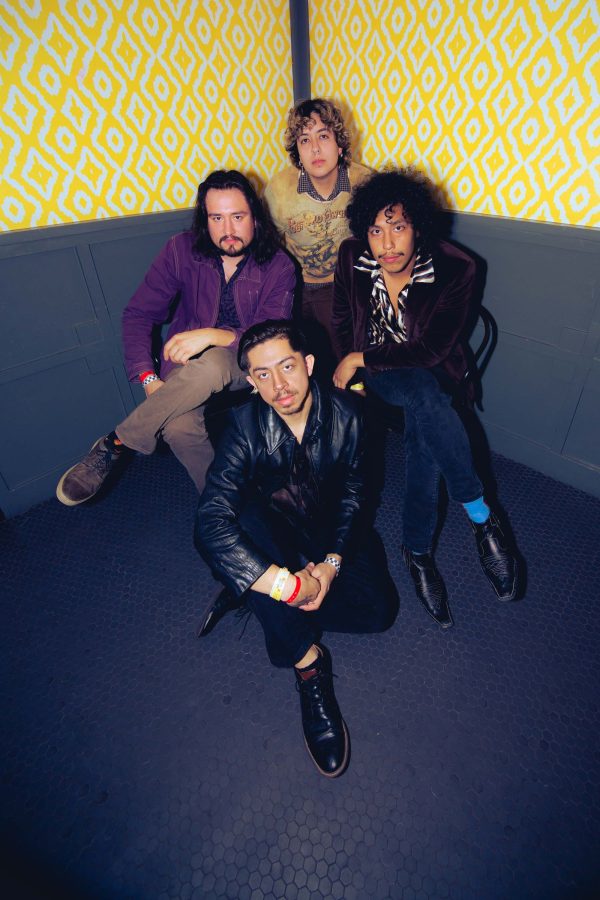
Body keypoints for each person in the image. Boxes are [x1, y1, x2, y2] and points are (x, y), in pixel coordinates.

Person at [194, 320, 398, 777]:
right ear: (251, 381)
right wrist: (285, 586)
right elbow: (209, 521)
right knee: (237, 521)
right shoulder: (242, 427)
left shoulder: (352, 414)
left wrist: (330, 565)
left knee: (380, 613)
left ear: (308, 364)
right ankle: (308, 664)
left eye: (286, 367)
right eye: (263, 374)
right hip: (275, 532)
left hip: (329, 531)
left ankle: (253, 592)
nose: (279, 386)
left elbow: (356, 496)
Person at [332, 169, 519, 628]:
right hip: (380, 377)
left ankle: (416, 553)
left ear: (418, 227)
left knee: (423, 433)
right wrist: (355, 368)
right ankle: (481, 518)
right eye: (376, 230)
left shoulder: (457, 268)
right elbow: (341, 321)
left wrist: (356, 357)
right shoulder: (352, 256)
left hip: (433, 372)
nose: (387, 244)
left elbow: (431, 350)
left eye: (398, 227)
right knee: (422, 397)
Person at [56, 170, 295, 505]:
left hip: (250, 362)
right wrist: (148, 377)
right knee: (178, 427)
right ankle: (227, 506)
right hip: (185, 365)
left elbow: (271, 336)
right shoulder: (181, 250)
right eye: (217, 218)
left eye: (238, 216)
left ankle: (117, 443)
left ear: (255, 217)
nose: (228, 229)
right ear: (205, 220)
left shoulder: (279, 265)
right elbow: (138, 314)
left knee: (214, 362)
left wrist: (213, 335)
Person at [264, 98, 370, 376]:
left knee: (339, 355)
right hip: (295, 286)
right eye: (304, 140)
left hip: (344, 285)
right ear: (297, 151)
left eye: (323, 136)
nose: (315, 149)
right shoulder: (279, 190)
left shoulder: (363, 182)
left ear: (339, 144)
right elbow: (267, 248)